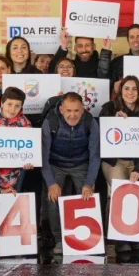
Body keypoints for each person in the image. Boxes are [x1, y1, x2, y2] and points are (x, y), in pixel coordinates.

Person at [98, 76, 139, 253]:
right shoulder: (109, 108)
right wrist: (115, 121)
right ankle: (120, 238)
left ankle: (136, 235)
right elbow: (101, 137)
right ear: (120, 91)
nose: (130, 92)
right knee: (120, 191)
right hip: (115, 160)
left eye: (134, 89)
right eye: (126, 89)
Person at [41, 92, 101, 254]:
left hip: (80, 163)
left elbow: (95, 155)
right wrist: (51, 183)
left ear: (83, 110)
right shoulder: (50, 121)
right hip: (55, 164)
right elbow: (43, 156)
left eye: (76, 111)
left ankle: (87, 238)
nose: (72, 115)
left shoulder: (90, 122)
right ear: (61, 109)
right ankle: (59, 239)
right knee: (53, 199)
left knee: (87, 196)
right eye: (68, 110)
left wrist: (89, 183)